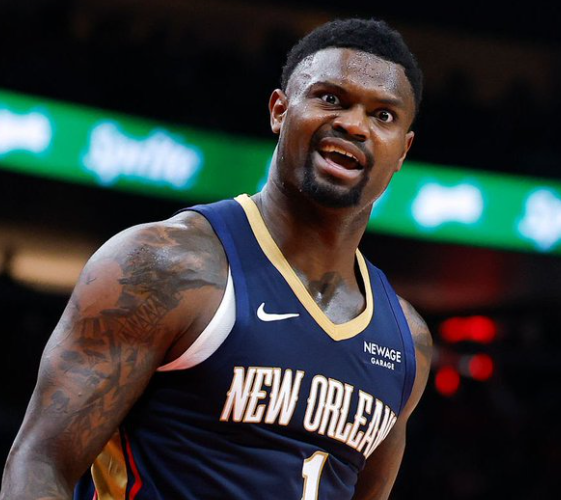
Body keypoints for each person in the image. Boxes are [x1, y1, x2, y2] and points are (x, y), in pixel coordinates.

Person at [1, 17, 432, 500]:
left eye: (383, 115)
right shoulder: (165, 265)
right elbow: (40, 464)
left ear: (403, 152)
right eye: (331, 98)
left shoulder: (406, 343)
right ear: (279, 111)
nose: (353, 124)